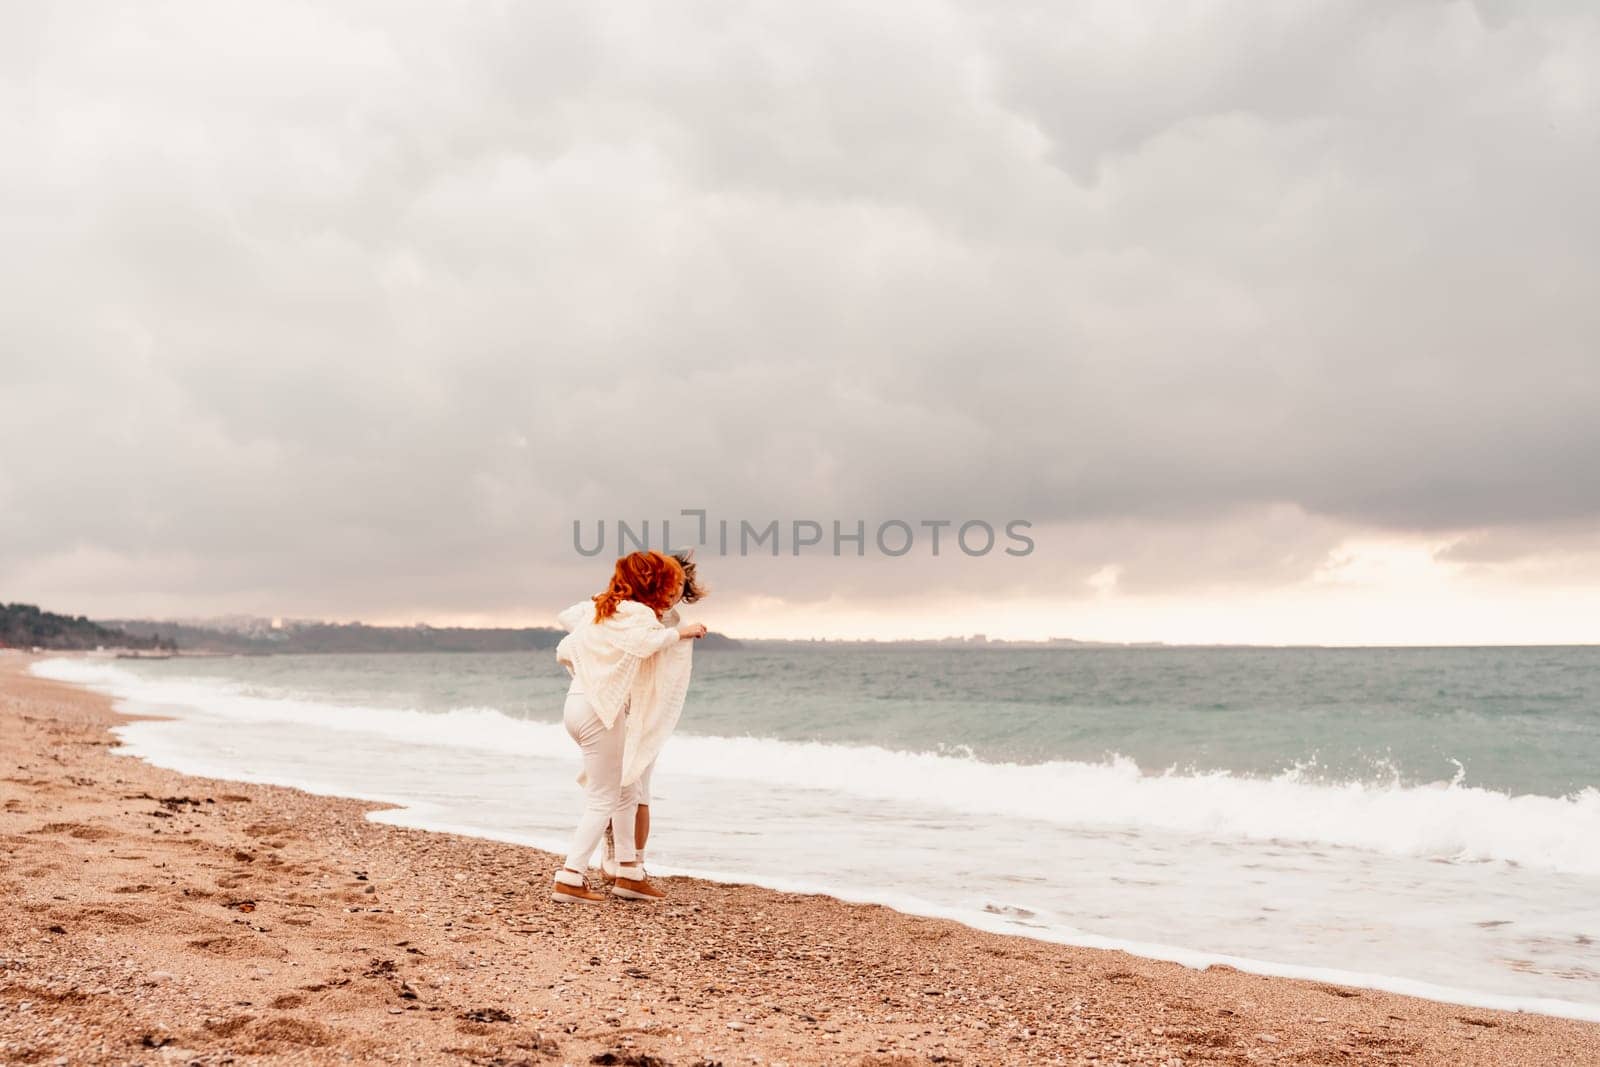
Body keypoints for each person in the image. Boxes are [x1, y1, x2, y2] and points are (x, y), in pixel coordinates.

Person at [551, 550, 706, 904]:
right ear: (651, 584)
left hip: (577, 705)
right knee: (604, 797)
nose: (671, 593)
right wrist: (682, 632)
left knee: (625, 790)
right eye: (668, 584)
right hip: (599, 712)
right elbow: (647, 641)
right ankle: (570, 876)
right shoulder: (636, 614)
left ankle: (629, 872)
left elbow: (566, 644)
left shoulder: (603, 609)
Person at [600, 548, 708, 880]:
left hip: (647, 715)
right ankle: (614, 854)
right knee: (612, 787)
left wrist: (678, 633)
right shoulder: (628, 614)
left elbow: (668, 671)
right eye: (668, 589)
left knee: (639, 788)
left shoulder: (672, 621)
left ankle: (635, 862)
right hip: (616, 709)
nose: (672, 599)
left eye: (678, 593)